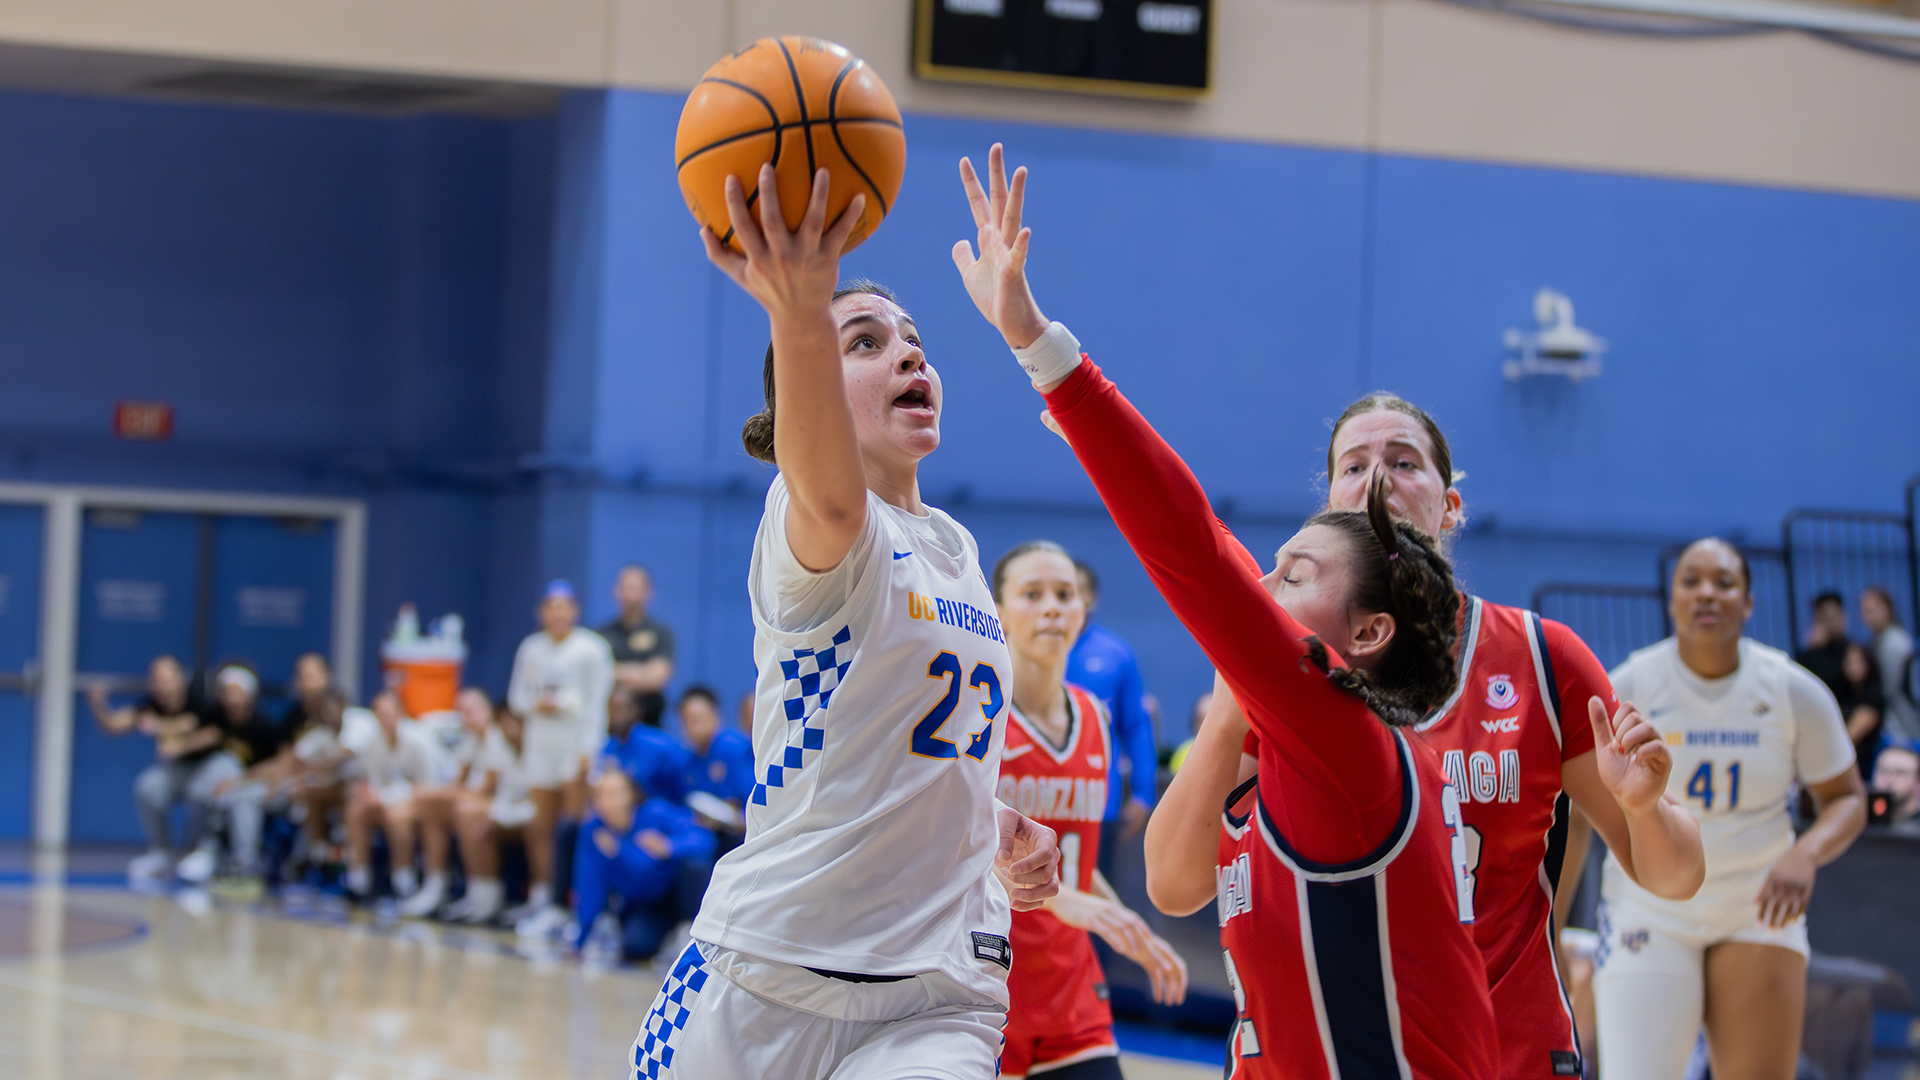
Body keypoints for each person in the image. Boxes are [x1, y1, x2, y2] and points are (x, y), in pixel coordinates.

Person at [954, 143, 1515, 1077]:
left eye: (1290, 578)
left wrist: (1043, 352)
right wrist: (1228, 710)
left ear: (1368, 634)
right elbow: (1174, 885)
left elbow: (1196, 548)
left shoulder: (1347, 736)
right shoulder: (1296, 734)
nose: (1263, 592)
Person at [628, 163, 1060, 1080]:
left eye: (913, 340)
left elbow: (901, 739)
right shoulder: (816, 525)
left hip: (939, 994)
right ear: (804, 397)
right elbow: (830, 500)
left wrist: (986, 817)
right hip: (765, 977)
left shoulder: (955, 549)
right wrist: (797, 308)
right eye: (864, 343)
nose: (910, 355)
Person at [1146, 386, 1705, 1077]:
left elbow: (1675, 876)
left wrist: (1647, 811)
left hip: (1505, 1053)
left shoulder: (1541, 655)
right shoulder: (1282, 679)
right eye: (1352, 466)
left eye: (1404, 461)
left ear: (1451, 506)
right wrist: (1234, 691)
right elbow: (1173, 885)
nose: (1377, 477)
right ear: (1328, 508)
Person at [1594, 538, 1867, 1080]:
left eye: (1724, 582)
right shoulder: (1630, 684)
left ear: (1748, 602)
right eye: (1691, 581)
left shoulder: (1792, 690)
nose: (1706, 594)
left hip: (1757, 907)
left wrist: (1807, 854)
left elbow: (1848, 799)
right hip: (1650, 910)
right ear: (1671, 600)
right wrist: (1550, 924)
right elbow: (1577, 812)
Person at [992, 540, 1187, 1080]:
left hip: (1071, 987)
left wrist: (1122, 922)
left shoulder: (1095, 718)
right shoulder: (977, 714)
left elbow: (1074, 865)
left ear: (1083, 611)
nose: (1053, 606)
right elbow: (949, 848)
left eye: (1065, 593)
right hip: (986, 976)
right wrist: (1069, 902)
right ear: (999, 612)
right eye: (1033, 594)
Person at [507, 579, 615, 928]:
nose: (557, 614)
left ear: (575, 611)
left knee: (572, 826)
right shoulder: (530, 648)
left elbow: (598, 702)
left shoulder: (592, 649)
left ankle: (573, 900)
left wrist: (589, 749)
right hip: (540, 746)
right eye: (550, 607)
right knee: (540, 825)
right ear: (541, 612)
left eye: (564, 607)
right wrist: (540, 702)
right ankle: (543, 896)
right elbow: (517, 699)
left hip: (574, 746)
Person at [88, 654, 229, 882]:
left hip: (207, 766)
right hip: (179, 769)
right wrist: (98, 705)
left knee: (201, 793)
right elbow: (114, 724)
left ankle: (204, 851)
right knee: (148, 787)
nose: (160, 685)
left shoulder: (197, 699)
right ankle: (160, 852)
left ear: (180, 679)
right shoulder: (151, 706)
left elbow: (195, 727)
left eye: (166, 679)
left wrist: (163, 731)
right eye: (155, 679)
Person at [1064, 562, 1159, 875]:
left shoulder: (1116, 654)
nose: (1065, 600)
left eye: (1074, 590)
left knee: (1095, 900)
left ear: (1091, 597)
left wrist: (1144, 792)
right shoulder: (1016, 650)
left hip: (1097, 801)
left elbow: (1136, 726)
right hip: (1029, 794)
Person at [572, 766, 717, 964]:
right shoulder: (594, 830)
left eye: (614, 793)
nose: (606, 801)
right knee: (635, 947)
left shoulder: (655, 812)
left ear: (631, 795)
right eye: (600, 795)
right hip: (643, 904)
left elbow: (705, 839)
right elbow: (588, 882)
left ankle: (689, 933)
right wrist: (581, 938)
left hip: (674, 895)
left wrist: (670, 846)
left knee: (694, 866)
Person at [340, 690, 449, 901]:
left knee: (396, 815)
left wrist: (386, 796)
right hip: (390, 800)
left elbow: (430, 787)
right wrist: (367, 792)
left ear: (401, 713)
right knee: (356, 809)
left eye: (388, 713)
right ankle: (359, 880)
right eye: (379, 714)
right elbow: (372, 783)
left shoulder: (419, 741)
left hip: (430, 801)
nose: (384, 719)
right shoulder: (374, 744)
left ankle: (404, 881)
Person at [399, 686, 497, 918]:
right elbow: (457, 783)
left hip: (496, 803)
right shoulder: (470, 741)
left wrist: (423, 791)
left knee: (464, 811)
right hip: (469, 800)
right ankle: (435, 885)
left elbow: (486, 790)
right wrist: (428, 794)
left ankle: (483, 894)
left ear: (487, 710)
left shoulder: (497, 738)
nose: (467, 718)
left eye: (471, 711)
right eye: (461, 712)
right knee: (430, 808)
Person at [444, 703, 541, 925]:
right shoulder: (499, 745)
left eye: (514, 722)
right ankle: (483, 897)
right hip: (510, 810)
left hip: (535, 814)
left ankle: (541, 902)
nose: (509, 728)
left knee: (538, 827)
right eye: (504, 723)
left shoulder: (539, 750)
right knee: (477, 825)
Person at [599, 564, 678, 729]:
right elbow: (595, 675)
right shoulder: (600, 635)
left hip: (649, 722)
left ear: (648, 593)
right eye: (626, 588)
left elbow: (656, 678)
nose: (631, 595)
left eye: (636, 588)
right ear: (616, 591)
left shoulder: (661, 633)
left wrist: (612, 671)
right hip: (607, 726)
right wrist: (640, 671)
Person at [675, 685, 753, 852]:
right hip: (710, 835)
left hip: (743, 835)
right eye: (687, 720)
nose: (694, 727)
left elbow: (750, 803)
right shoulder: (688, 762)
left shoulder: (734, 747)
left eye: (699, 719)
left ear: (716, 717)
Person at [1860, 585, 1919, 743]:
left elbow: (1888, 688)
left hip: (1901, 722)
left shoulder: (1893, 642)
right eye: (1864, 610)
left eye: (1870, 610)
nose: (1865, 616)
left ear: (1886, 609)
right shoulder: (1878, 639)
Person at [1837, 642, 1886, 779]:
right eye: (1849, 662)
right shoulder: (1845, 694)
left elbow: (1850, 736)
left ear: (1869, 663)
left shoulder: (1873, 695)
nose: (1854, 667)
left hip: (1868, 761)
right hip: (1849, 759)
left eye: (1859, 662)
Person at [1794, 592, 1852, 700]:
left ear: (1843, 616)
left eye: (1833, 617)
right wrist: (1813, 649)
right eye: (1825, 618)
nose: (1831, 624)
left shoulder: (1853, 650)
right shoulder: (1812, 653)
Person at [1870, 742, 1918, 827]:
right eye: (1885, 771)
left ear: (1918, 782)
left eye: (1900, 773)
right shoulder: (1860, 823)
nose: (1890, 779)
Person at [1166, 688, 1212, 775]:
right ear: (1195, 723)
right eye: (1204, 719)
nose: (1210, 725)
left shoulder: (1235, 752)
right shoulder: (1184, 754)